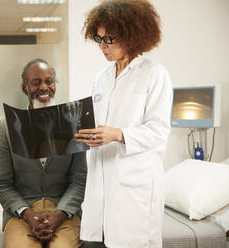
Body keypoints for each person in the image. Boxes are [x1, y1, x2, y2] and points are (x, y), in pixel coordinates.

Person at [75, 1, 173, 247]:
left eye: (110, 38)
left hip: (134, 186)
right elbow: (97, 124)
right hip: (100, 181)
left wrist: (118, 134)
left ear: (132, 35)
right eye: (99, 39)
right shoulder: (102, 78)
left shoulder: (154, 74)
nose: (103, 46)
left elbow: (159, 131)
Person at [0, 58, 87, 248]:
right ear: (24, 88)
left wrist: (59, 215)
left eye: (49, 81)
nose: (44, 87)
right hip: (22, 213)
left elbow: (79, 181)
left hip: (64, 211)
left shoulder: (73, 123)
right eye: (36, 82)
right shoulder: (7, 126)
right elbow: (2, 184)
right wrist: (28, 214)